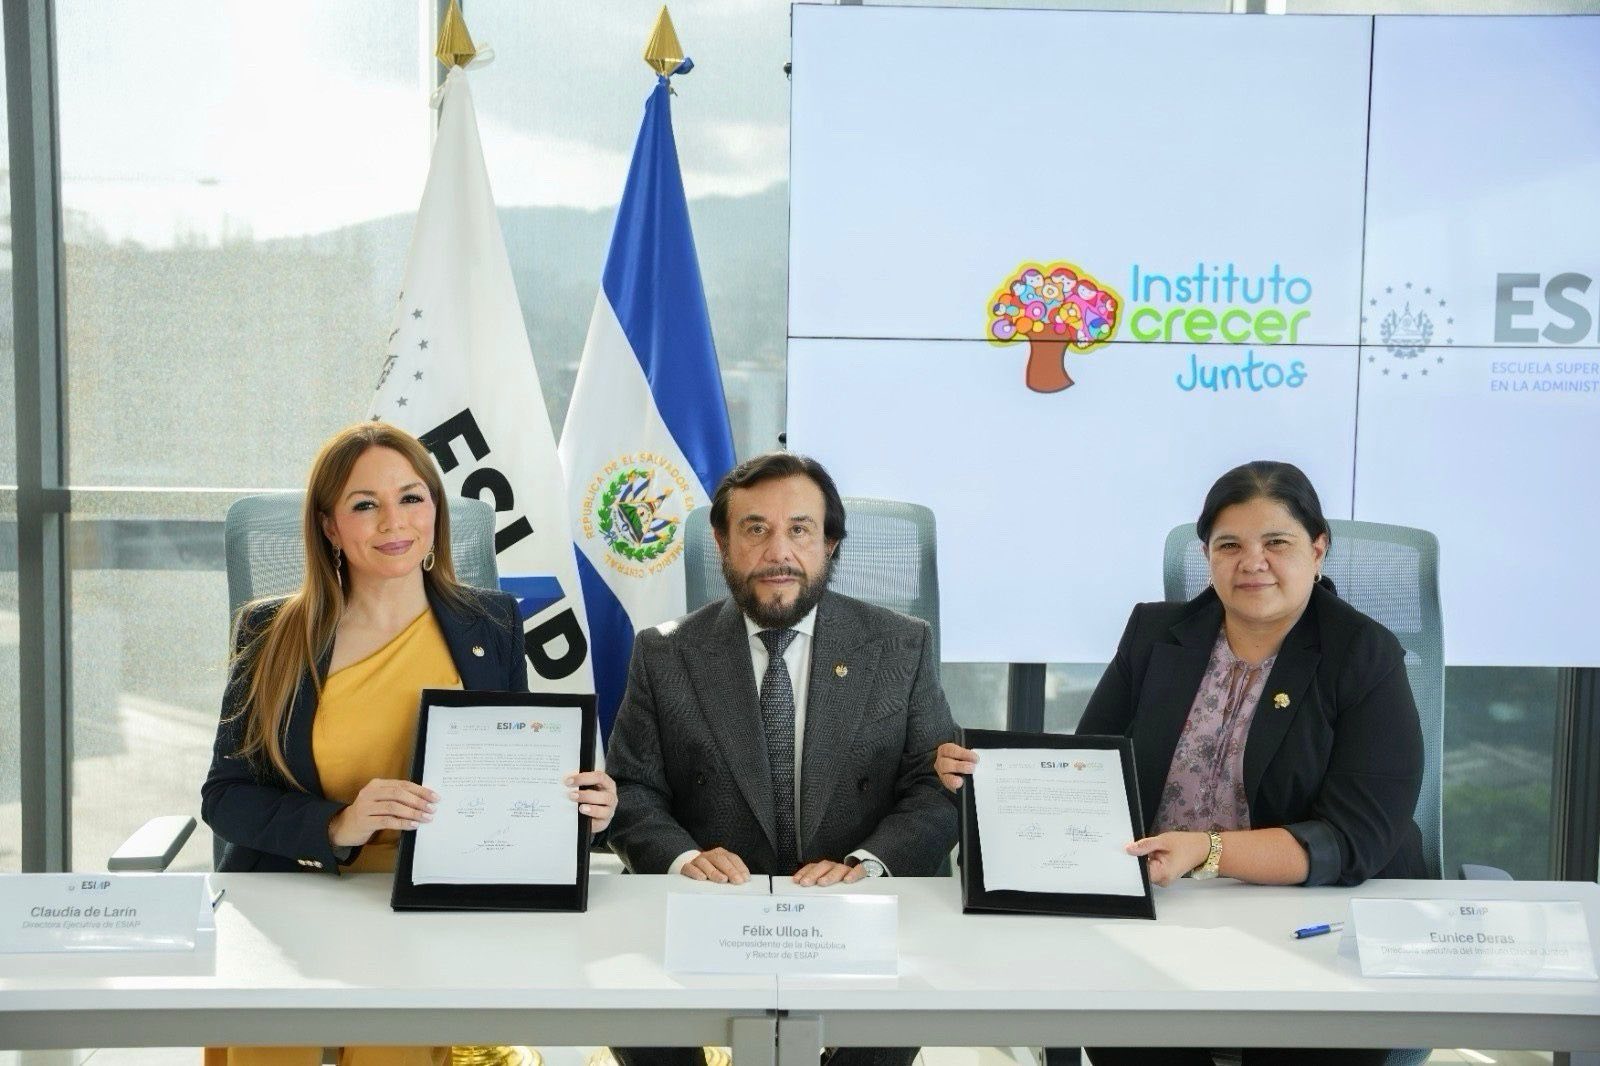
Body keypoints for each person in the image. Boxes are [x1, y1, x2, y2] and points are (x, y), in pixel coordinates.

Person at [935, 460, 1425, 1066]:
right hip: (1162, 912)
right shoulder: (1156, 634)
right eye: (1230, 545)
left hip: (1313, 923)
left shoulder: (1363, 653)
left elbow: (1354, 838)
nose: (1253, 562)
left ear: (1318, 549)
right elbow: (1092, 774)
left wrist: (1208, 851)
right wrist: (989, 780)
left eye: (1277, 543)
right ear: (1207, 555)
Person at [201, 421, 617, 1066]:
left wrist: (578, 813)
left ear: (436, 510)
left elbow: (512, 778)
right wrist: (339, 823)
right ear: (330, 527)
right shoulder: (271, 633)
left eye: (411, 497)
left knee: (389, 1047)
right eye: (365, 504)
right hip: (299, 892)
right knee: (277, 1046)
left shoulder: (491, 625)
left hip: (432, 903)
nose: (394, 521)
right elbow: (225, 797)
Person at [606, 451, 958, 1066]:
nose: (778, 552)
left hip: (857, 909)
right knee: (637, 1021)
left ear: (830, 544)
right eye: (755, 529)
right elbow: (632, 791)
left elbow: (935, 786)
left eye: (799, 529)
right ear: (722, 543)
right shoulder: (665, 653)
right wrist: (684, 859)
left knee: (883, 1037)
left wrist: (868, 866)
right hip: (713, 914)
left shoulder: (901, 645)